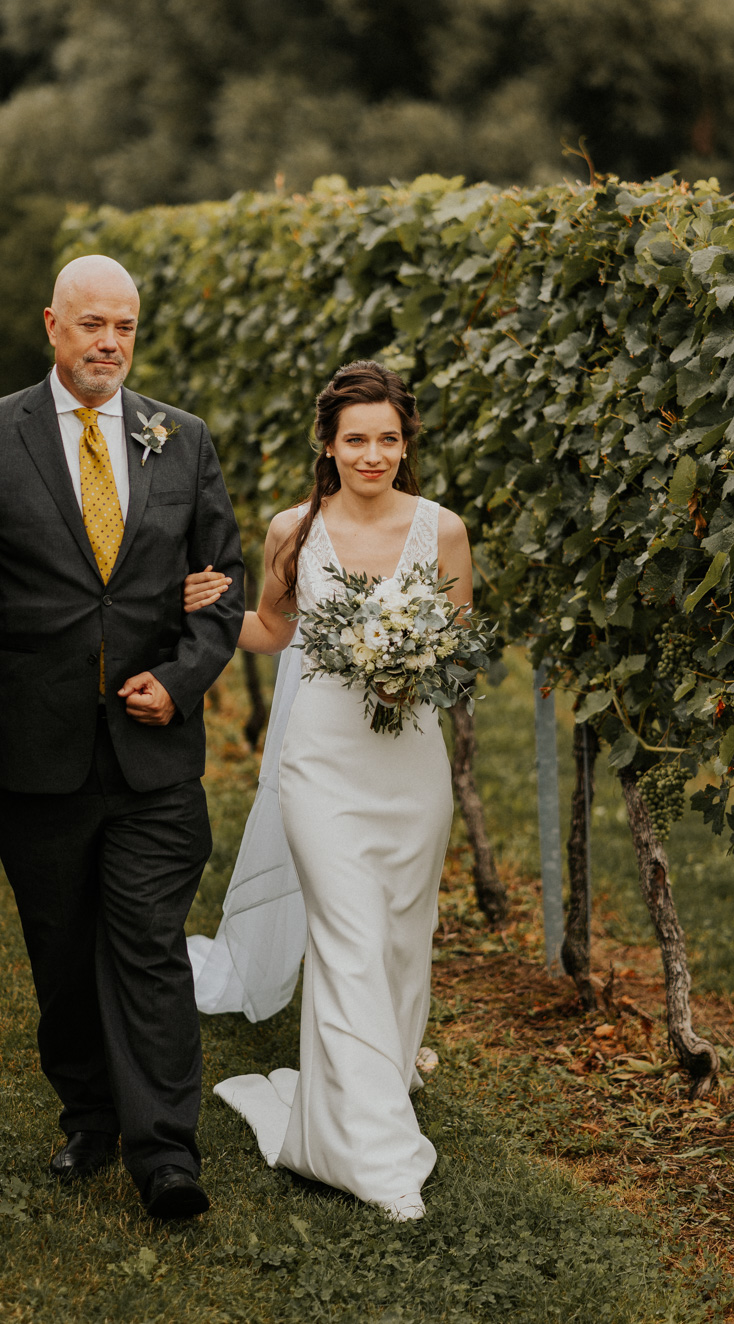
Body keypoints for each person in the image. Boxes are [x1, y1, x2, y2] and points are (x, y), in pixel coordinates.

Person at [0, 255, 245, 1221]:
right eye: (92, 324)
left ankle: (166, 1154)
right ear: (52, 325)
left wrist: (180, 682)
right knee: (61, 949)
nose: (110, 342)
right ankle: (89, 1117)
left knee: (146, 942)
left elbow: (219, 587)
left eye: (126, 327)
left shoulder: (180, 440)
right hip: (33, 743)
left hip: (152, 757)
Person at [182, 360, 471, 1221]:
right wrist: (196, 610)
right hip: (319, 768)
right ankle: (372, 1156)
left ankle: (369, 1091)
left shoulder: (443, 531)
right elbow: (273, 628)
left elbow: (458, 652)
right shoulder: (291, 530)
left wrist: (412, 668)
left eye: (387, 439)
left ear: (404, 443)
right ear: (329, 444)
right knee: (344, 936)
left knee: (396, 945)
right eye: (356, 439)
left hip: (410, 771)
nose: (372, 454)